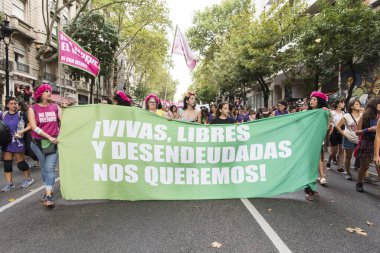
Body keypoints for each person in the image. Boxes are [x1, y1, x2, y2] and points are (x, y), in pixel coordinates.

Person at [28, 84, 61, 207]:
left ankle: (48, 196)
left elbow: (64, 120)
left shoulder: (56, 107)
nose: (49, 93)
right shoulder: (33, 108)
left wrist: (59, 134)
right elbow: (33, 126)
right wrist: (49, 137)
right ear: (40, 94)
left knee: (50, 168)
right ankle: (48, 188)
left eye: (49, 91)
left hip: (53, 143)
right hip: (38, 143)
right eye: (46, 91)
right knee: (44, 168)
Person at [0, 97, 34, 192]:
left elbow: (31, 125)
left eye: (15, 103)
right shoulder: (4, 115)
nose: (13, 105)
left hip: (18, 142)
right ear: (7, 105)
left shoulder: (21, 114)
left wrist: (21, 132)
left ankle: (29, 178)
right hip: (6, 142)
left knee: (20, 162)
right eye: (11, 103)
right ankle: (10, 183)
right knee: (7, 163)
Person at [304, 91, 329, 201]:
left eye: (315, 100)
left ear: (320, 102)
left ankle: (312, 188)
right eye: (311, 99)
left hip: (317, 143)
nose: (312, 101)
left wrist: (325, 113)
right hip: (306, 143)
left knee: (314, 165)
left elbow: (326, 127)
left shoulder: (323, 112)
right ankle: (308, 190)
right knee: (309, 166)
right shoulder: (306, 113)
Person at [355, 97, 380, 192]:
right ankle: (359, 182)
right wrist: (369, 129)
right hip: (367, 143)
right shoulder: (365, 116)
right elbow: (357, 132)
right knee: (365, 166)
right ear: (374, 105)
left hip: (378, 144)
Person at [336, 99, 362, 180]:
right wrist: (344, 135)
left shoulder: (362, 115)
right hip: (349, 139)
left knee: (361, 157)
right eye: (356, 104)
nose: (359, 105)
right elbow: (337, 126)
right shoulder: (347, 115)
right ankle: (348, 172)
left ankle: (362, 174)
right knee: (348, 157)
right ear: (351, 106)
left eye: (359, 104)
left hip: (360, 139)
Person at [326, 99, 345, 171]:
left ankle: (340, 167)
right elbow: (329, 122)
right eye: (342, 102)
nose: (343, 104)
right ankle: (329, 161)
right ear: (338, 104)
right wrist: (329, 127)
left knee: (341, 150)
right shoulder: (331, 112)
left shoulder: (344, 113)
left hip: (342, 132)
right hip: (333, 132)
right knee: (334, 151)